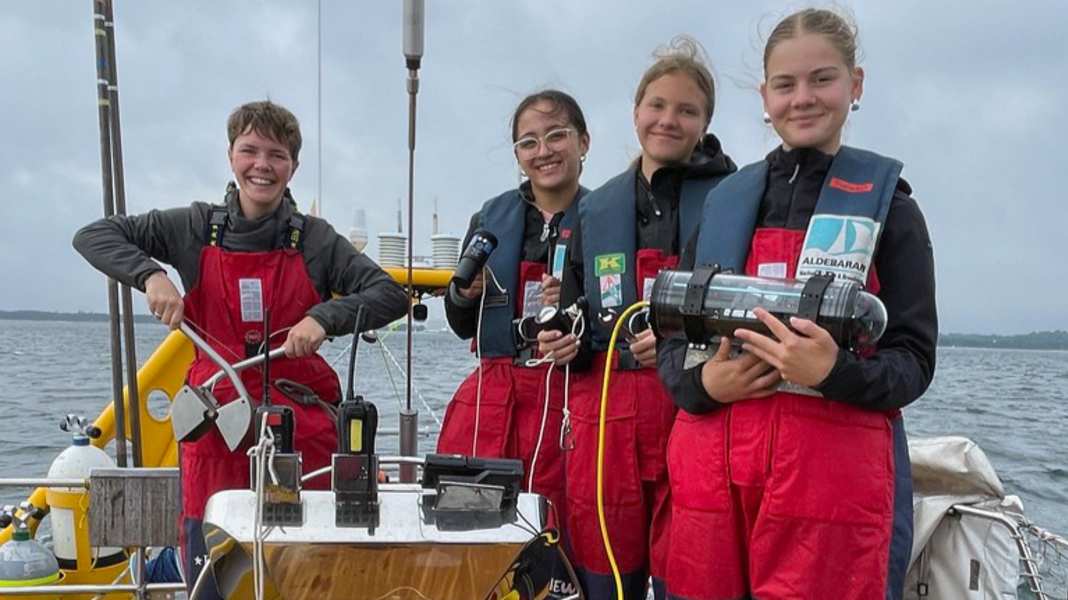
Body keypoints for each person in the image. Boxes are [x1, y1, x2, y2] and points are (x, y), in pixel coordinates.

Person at [72, 100, 408, 595]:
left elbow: (389, 295)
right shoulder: (191, 226)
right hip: (214, 427)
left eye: (276, 154)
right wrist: (150, 275)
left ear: (292, 165)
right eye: (249, 150)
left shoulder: (317, 240)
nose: (262, 165)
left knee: (307, 578)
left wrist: (323, 316)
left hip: (302, 432)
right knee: (211, 572)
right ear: (231, 156)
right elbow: (94, 235)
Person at [657, 9, 937, 599]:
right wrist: (706, 383)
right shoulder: (722, 204)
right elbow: (670, 340)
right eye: (785, 85)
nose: (802, 98)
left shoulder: (894, 210)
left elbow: (913, 360)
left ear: (854, 86)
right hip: (713, 481)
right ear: (765, 96)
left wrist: (832, 372)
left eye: (822, 80)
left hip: (828, 491)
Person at [538, 37, 737, 599]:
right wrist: (564, 338)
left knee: (691, 571)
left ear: (705, 123)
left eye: (686, 110)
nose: (667, 120)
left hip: (697, 411)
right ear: (635, 112)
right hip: (606, 416)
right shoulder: (595, 208)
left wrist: (683, 345)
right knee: (604, 576)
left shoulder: (735, 198)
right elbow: (574, 307)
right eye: (657, 105)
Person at [437, 90, 590, 541]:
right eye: (529, 142)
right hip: (492, 397)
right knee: (472, 531)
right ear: (518, 155)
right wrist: (464, 295)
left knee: (562, 531)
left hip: (569, 397)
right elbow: (461, 321)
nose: (543, 151)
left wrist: (577, 301)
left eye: (556, 135)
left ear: (583, 141)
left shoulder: (607, 216)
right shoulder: (490, 218)